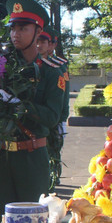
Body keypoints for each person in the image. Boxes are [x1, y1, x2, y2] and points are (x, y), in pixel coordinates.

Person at [0, 0, 65, 220]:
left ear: (38, 30)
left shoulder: (51, 72)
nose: (16, 34)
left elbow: (52, 116)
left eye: (23, 28)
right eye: (13, 28)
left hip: (31, 157)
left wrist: (21, 106)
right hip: (1, 156)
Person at [36, 27, 69, 191]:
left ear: (51, 45)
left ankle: (53, 177)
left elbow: (64, 94)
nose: (39, 45)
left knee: (53, 149)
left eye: (43, 41)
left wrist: (63, 118)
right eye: (37, 40)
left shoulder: (57, 67)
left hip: (52, 118)